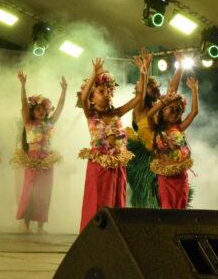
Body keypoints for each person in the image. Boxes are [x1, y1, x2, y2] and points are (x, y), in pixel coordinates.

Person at [77, 57, 144, 230]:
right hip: (100, 165)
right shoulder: (91, 115)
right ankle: (93, 235)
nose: (107, 94)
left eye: (109, 91)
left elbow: (138, 97)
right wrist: (95, 75)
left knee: (116, 201)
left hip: (117, 165)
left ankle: (113, 236)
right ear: (93, 99)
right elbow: (83, 97)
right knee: (98, 201)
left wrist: (143, 72)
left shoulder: (117, 113)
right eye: (101, 91)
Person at [126, 48, 182, 208]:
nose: (157, 89)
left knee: (163, 197)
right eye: (153, 87)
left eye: (157, 87)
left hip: (161, 155)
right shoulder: (140, 109)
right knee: (146, 196)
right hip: (146, 158)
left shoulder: (160, 109)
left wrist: (180, 67)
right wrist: (145, 69)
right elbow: (141, 93)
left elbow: (172, 90)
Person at [12, 72, 67, 233]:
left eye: (44, 109)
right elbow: (23, 103)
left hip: (47, 161)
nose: (42, 111)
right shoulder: (29, 123)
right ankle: (26, 224)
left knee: (45, 192)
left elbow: (61, 107)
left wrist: (64, 90)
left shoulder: (50, 123)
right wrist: (23, 85)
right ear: (33, 111)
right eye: (38, 109)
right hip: (33, 159)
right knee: (30, 191)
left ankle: (41, 226)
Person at [147, 77, 200, 209]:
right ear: (163, 111)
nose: (175, 113)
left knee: (180, 208)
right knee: (166, 208)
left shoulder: (180, 128)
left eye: (178, 111)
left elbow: (194, 112)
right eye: (172, 109)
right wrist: (164, 101)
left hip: (180, 178)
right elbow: (149, 115)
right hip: (165, 178)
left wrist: (194, 90)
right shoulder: (156, 129)